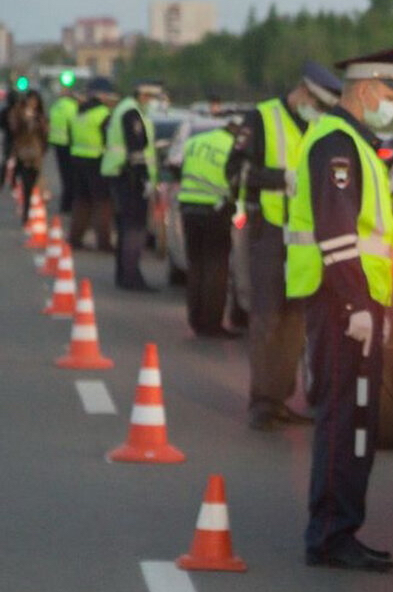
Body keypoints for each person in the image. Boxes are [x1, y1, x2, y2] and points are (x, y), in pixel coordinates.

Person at [286, 46, 393, 572]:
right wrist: (357, 304)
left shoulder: (355, 144)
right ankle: (332, 534)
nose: (392, 105)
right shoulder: (337, 146)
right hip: (342, 306)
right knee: (344, 420)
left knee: (353, 419)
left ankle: (338, 529)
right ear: (362, 90)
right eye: (387, 94)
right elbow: (337, 235)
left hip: (355, 303)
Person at [226, 60, 343, 431]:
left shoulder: (318, 125)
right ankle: (262, 401)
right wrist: (280, 179)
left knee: (295, 320)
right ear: (305, 93)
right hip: (269, 231)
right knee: (266, 316)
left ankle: (279, 397)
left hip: (305, 238)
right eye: (317, 104)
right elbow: (236, 171)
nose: (318, 113)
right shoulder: (261, 118)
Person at [178, 118, 240, 338]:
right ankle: (211, 323)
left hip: (188, 206)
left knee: (196, 266)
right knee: (216, 268)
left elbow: (177, 166)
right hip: (216, 209)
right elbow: (236, 180)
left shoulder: (196, 141)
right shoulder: (233, 146)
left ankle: (195, 319)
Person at [101, 80, 163, 291]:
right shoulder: (131, 113)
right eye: (152, 97)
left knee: (125, 227)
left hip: (121, 174)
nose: (153, 102)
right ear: (143, 95)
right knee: (134, 228)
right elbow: (136, 149)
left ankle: (123, 274)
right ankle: (130, 276)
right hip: (130, 177)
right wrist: (144, 178)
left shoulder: (124, 109)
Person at [68, 77, 118, 251]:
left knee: (82, 201)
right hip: (97, 160)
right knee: (103, 202)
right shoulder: (103, 114)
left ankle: (75, 239)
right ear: (103, 96)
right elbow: (109, 139)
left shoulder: (79, 112)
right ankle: (104, 242)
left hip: (77, 159)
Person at [8, 90, 49, 223]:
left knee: (34, 182)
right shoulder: (18, 113)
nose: (33, 103)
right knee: (26, 184)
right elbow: (14, 129)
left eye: (35, 101)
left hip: (36, 154)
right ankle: (26, 212)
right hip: (22, 153)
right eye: (30, 100)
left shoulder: (40, 116)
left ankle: (31, 209)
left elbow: (45, 135)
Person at [47, 85, 81, 214]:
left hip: (57, 143)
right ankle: (68, 204)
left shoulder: (56, 105)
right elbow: (75, 125)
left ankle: (65, 204)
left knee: (64, 175)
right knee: (70, 177)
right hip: (68, 144)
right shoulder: (72, 107)